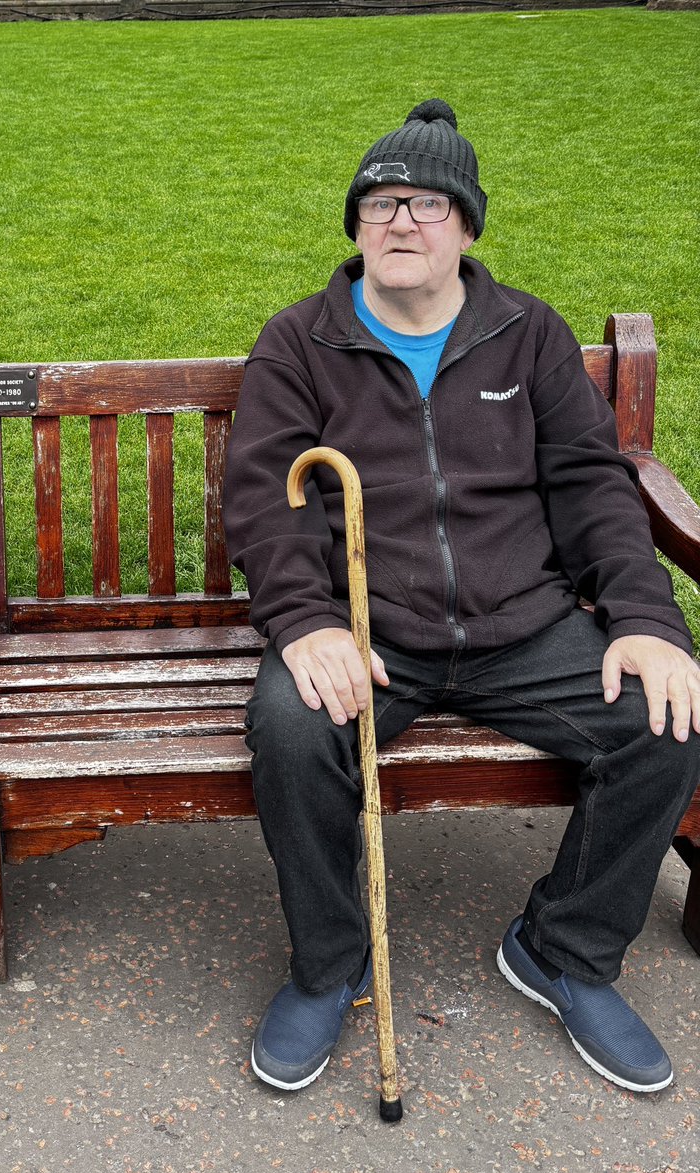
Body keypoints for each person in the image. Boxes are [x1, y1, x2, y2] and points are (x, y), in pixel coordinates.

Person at [224, 99, 700, 1096]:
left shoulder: (528, 334)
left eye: (429, 204)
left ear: (468, 226)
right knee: (290, 727)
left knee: (665, 720)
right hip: (372, 628)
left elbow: (592, 486)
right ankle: (329, 966)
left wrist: (648, 622)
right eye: (382, 202)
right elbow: (264, 506)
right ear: (356, 224)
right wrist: (311, 624)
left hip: (521, 627)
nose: (402, 221)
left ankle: (563, 950)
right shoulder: (299, 342)